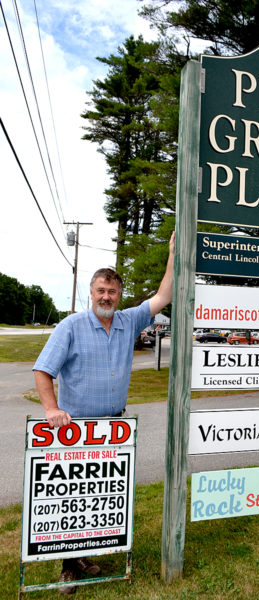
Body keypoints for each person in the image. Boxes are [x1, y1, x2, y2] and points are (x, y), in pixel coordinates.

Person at [33, 232, 175, 594]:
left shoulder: (129, 321)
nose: (106, 297)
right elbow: (43, 369)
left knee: (101, 496)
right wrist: (51, 408)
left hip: (113, 427)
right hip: (74, 428)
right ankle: (68, 568)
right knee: (72, 496)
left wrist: (173, 253)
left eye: (112, 291)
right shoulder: (71, 326)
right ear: (91, 294)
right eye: (100, 291)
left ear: (119, 295)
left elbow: (164, 296)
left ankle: (83, 555)